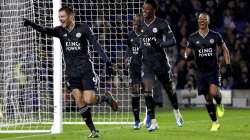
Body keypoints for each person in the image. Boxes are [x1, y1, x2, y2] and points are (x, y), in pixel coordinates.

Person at [23, 6, 118, 138]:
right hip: (71, 73)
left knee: (88, 99)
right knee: (79, 100)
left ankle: (106, 98)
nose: (60, 19)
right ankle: (93, 131)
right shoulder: (59, 31)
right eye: (59, 17)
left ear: (71, 16)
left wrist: (107, 61)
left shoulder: (83, 28)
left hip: (85, 70)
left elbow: (96, 45)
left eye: (62, 16)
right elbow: (44, 30)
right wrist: (31, 24)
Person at [140, 0, 184, 132]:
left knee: (169, 89)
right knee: (147, 90)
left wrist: (160, 44)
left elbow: (173, 41)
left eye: (147, 9)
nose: (144, 11)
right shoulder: (140, 23)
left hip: (160, 63)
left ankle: (176, 111)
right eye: (144, 9)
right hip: (147, 63)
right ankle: (153, 121)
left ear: (154, 10)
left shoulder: (162, 23)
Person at [185, 12, 231, 131]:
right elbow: (187, 51)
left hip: (213, 70)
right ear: (198, 21)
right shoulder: (193, 37)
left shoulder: (215, 35)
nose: (202, 20)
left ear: (208, 21)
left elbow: (225, 49)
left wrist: (228, 64)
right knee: (208, 98)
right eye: (200, 19)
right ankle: (215, 123)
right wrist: (186, 55)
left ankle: (220, 103)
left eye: (204, 19)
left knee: (214, 93)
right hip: (200, 72)